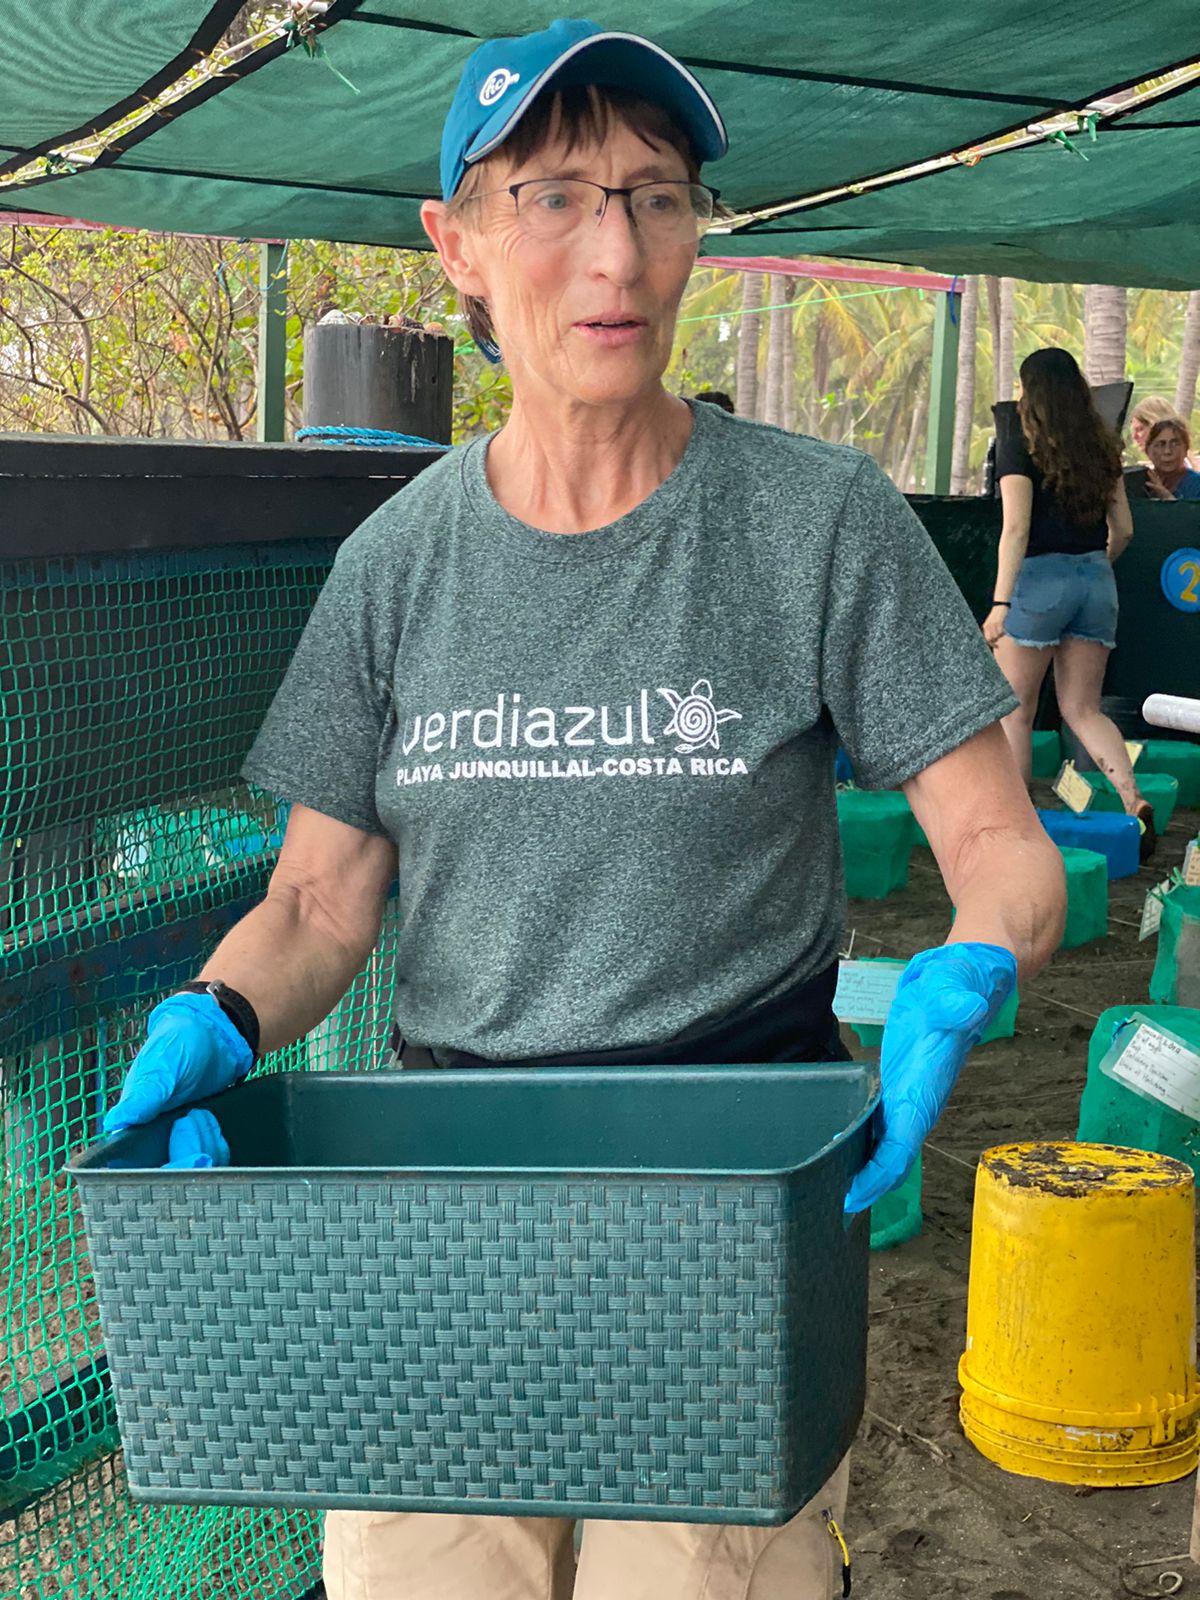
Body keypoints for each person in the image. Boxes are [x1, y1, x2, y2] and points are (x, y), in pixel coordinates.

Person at [102, 19, 1064, 1599]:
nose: (614, 249)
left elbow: (1000, 849)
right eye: (552, 195)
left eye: (656, 194)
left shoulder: (820, 522)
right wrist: (218, 1009)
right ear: (459, 246)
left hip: (725, 1213)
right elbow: (320, 904)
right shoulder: (392, 570)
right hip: (442, 1217)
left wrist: (979, 961)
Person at [984, 347, 1155, 855]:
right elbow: (1123, 528)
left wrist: (1000, 604)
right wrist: (1095, 563)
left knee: (1016, 710)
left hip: (1038, 580)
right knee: (1083, 708)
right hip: (1095, 578)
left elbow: (1016, 528)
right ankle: (1133, 801)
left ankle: (1020, 821)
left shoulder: (1019, 440)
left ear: (1029, 390)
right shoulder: (1101, 444)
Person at [1144, 417, 1200, 501]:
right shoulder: (1139, 483)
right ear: (1148, 451)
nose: (1167, 451)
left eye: (1175, 444)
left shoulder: (1196, 485)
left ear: (1186, 449)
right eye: (1160, 444)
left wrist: (1166, 497)